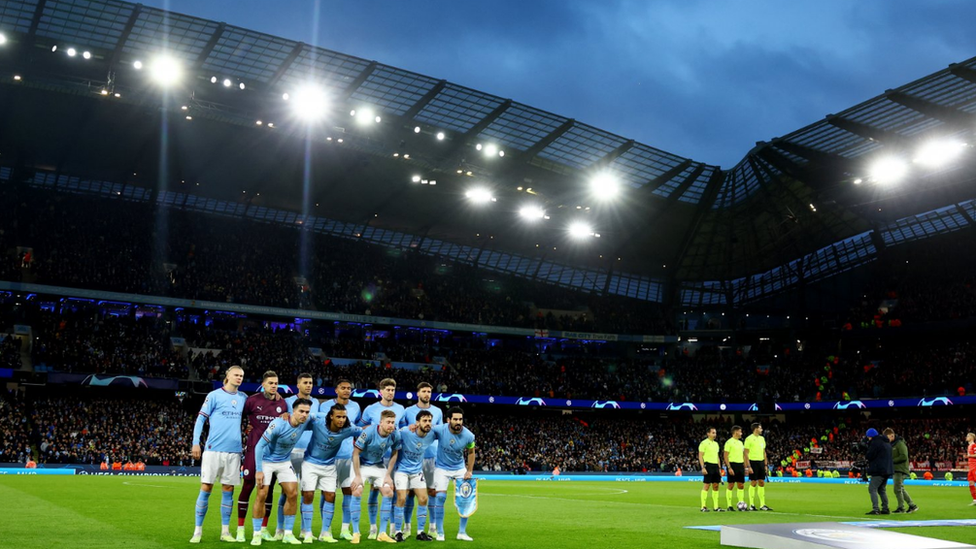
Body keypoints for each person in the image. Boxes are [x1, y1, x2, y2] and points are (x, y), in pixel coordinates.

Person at [190, 365, 246, 543]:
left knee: (228, 489)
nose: (239, 378)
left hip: (234, 451)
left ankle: (225, 532)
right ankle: (197, 531)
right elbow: (201, 419)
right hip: (213, 450)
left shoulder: (244, 398)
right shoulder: (214, 395)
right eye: (236, 375)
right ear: (227, 376)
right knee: (206, 487)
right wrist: (195, 443)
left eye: (242, 376)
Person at [250, 398, 315, 546]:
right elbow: (259, 446)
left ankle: (288, 534)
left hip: (284, 461)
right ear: (293, 411)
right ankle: (257, 533)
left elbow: (322, 416)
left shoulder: (305, 421)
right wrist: (259, 470)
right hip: (266, 460)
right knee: (261, 494)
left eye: (307, 412)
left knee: (293, 493)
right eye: (301, 411)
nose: (304, 415)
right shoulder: (278, 424)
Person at [300, 403, 362, 543]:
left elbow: (363, 431)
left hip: (329, 465)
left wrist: (381, 427)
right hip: (310, 463)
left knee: (331, 495)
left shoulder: (348, 428)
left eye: (344, 417)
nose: (341, 420)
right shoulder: (318, 421)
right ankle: (307, 532)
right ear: (331, 416)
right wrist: (286, 416)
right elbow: (302, 418)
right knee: (308, 494)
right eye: (338, 417)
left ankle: (325, 532)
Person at [237, 371, 286, 542]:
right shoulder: (252, 401)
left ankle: (264, 529)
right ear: (263, 384)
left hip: (271, 454)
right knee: (248, 486)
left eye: (276, 383)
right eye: (271, 383)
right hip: (253, 450)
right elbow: (239, 418)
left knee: (269, 489)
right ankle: (240, 529)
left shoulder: (282, 403)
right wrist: (246, 429)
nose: (274, 386)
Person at [359, 378, 405, 539]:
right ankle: (373, 527)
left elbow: (403, 428)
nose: (390, 392)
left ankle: (392, 527)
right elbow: (360, 427)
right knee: (373, 491)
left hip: (392, 456)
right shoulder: (371, 409)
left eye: (393, 389)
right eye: (387, 389)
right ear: (381, 391)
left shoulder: (400, 409)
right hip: (372, 459)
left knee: (391, 491)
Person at [319, 379, 362, 540]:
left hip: (347, 456)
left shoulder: (356, 407)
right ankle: (326, 529)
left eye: (349, 388)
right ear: (336, 390)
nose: (346, 390)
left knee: (348, 492)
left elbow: (356, 428)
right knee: (327, 494)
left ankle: (345, 529)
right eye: (343, 388)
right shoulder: (324, 406)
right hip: (329, 457)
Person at [351, 409, 402, 544]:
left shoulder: (395, 434)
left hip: (378, 465)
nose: (391, 425)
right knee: (357, 490)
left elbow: (394, 453)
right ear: (381, 422)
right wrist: (357, 476)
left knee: (388, 492)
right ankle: (356, 533)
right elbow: (355, 453)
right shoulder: (368, 432)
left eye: (393, 422)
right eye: (388, 422)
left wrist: (388, 475)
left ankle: (382, 533)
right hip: (362, 465)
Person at [400, 382, 443, 538]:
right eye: (424, 391)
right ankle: (407, 527)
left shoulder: (437, 411)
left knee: (431, 492)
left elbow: (440, 432)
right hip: (411, 459)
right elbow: (403, 431)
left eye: (429, 391)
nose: (427, 394)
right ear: (418, 393)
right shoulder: (408, 411)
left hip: (431, 456)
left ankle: (432, 527)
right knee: (410, 493)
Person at [276, 373, 316, 541]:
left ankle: (304, 530)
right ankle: (280, 528)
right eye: (305, 382)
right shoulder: (288, 401)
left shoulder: (316, 404)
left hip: (309, 454)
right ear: (298, 384)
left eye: (311, 383)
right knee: (287, 493)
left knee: (307, 492)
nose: (309, 385)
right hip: (290, 453)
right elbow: (281, 418)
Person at [430, 407, 476, 541]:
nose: (458, 422)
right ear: (448, 420)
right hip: (442, 468)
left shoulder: (469, 435)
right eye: (455, 419)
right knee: (440, 498)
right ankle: (440, 532)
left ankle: (462, 532)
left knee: (465, 499)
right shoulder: (440, 429)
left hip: (459, 468)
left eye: (460, 419)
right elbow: (426, 430)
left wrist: (469, 470)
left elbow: (471, 452)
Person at [394, 409, 436, 542]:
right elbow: (394, 433)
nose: (428, 423)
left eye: (429, 421)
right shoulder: (407, 432)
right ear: (417, 422)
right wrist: (405, 427)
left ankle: (420, 532)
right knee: (401, 498)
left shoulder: (431, 434)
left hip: (417, 471)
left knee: (423, 499)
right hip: (402, 470)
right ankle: (397, 532)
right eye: (425, 421)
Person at [886, 428, 918, 514]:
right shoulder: (894, 444)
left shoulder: (900, 444)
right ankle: (912, 505)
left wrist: (892, 461)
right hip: (897, 469)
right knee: (900, 488)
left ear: (892, 435)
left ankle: (901, 507)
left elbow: (904, 456)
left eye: (887, 437)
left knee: (897, 489)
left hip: (900, 469)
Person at [743, 423, 772, 511]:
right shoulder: (749, 439)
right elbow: (746, 453)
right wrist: (748, 466)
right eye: (760, 428)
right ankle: (751, 504)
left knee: (761, 482)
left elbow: (764, 452)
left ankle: (762, 504)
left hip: (761, 462)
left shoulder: (762, 439)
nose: (762, 429)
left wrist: (766, 465)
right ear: (755, 429)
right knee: (753, 482)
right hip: (753, 462)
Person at [864, 427, 893, 515]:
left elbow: (869, 456)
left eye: (868, 437)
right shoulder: (886, 442)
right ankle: (885, 508)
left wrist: (867, 449)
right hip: (887, 470)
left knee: (872, 488)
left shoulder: (875, 443)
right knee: (882, 490)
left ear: (870, 436)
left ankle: (876, 509)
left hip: (878, 470)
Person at [698, 427, 722, 512]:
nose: (714, 434)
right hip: (708, 465)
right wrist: (703, 467)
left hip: (715, 465)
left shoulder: (716, 444)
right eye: (713, 433)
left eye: (715, 433)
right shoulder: (703, 443)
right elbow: (700, 456)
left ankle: (716, 507)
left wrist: (719, 468)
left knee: (716, 486)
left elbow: (717, 457)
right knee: (707, 485)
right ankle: (703, 506)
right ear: (708, 433)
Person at [724, 425, 747, 511]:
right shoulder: (729, 442)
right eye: (740, 431)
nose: (741, 433)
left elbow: (743, 455)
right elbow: (725, 456)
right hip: (732, 464)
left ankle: (741, 503)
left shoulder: (741, 443)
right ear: (736, 432)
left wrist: (745, 466)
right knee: (731, 484)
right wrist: (729, 467)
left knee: (741, 485)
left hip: (740, 465)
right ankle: (729, 505)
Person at [966, 432, 976, 505]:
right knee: (971, 483)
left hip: (975, 466)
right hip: (971, 467)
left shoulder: (974, 445)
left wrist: (970, 455)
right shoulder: (969, 446)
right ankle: (975, 499)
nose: (966, 437)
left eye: (968, 436)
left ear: (972, 438)